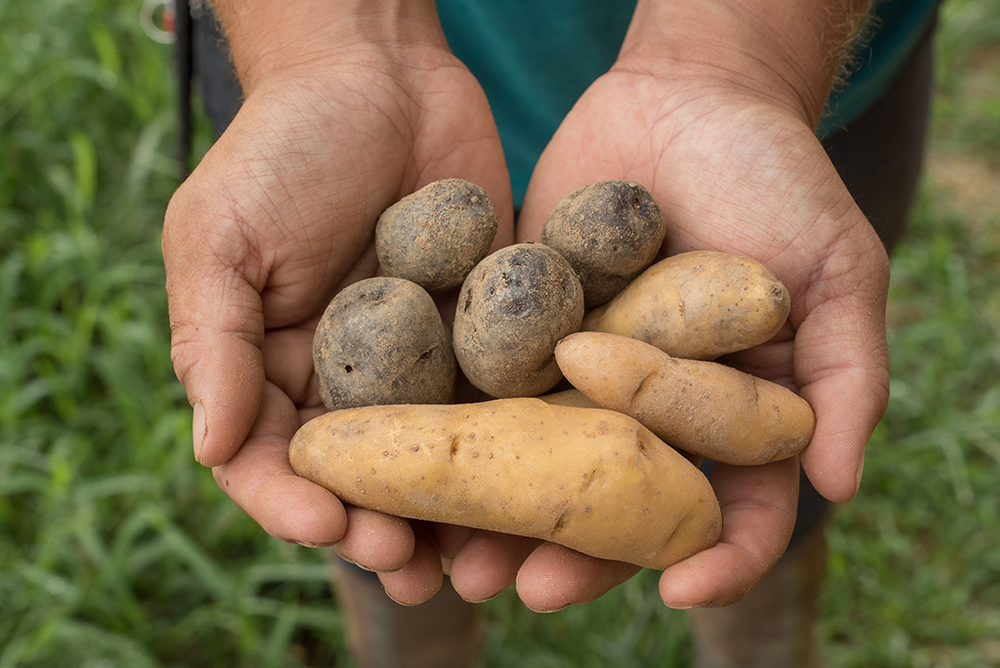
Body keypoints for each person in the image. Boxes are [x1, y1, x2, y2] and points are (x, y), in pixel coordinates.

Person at [162, 0, 939, 665]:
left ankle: (761, 640)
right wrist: (329, 49)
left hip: (784, 53)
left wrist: (741, 60)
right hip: (341, 78)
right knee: (386, 533)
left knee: (764, 474)